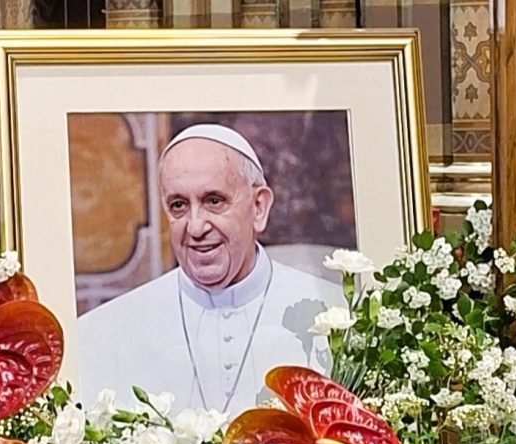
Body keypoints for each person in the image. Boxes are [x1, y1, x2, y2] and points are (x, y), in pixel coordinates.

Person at [76, 124, 345, 417]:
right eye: (178, 205)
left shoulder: (337, 316)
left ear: (258, 207)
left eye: (213, 201)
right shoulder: (105, 334)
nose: (195, 227)